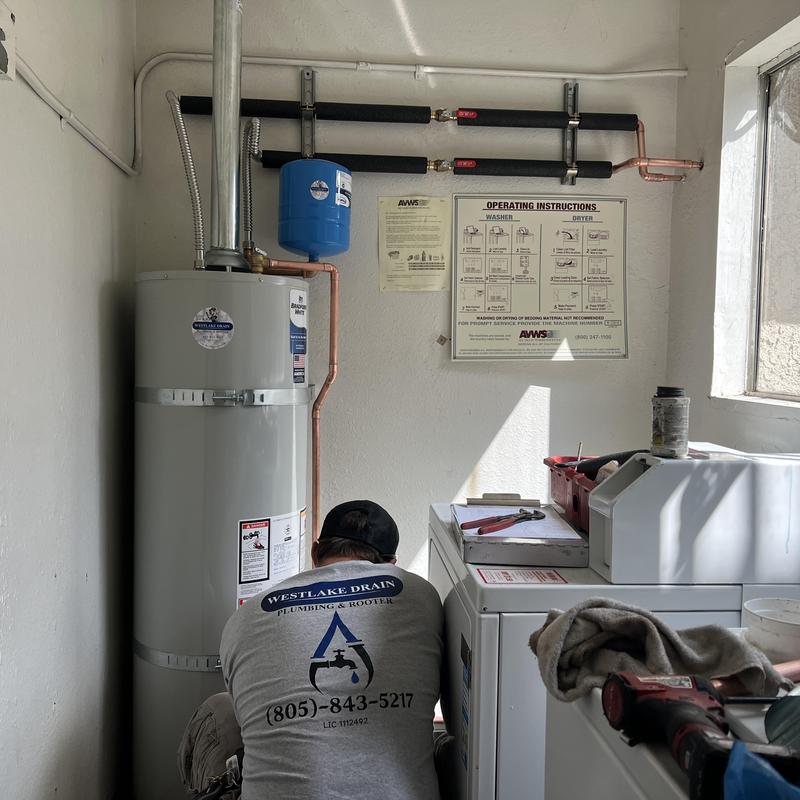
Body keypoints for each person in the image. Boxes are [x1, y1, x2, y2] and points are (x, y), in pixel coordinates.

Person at [217, 500, 447, 800]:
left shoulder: (245, 618)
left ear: (314, 553)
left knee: (221, 707)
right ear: (392, 565)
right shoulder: (421, 596)